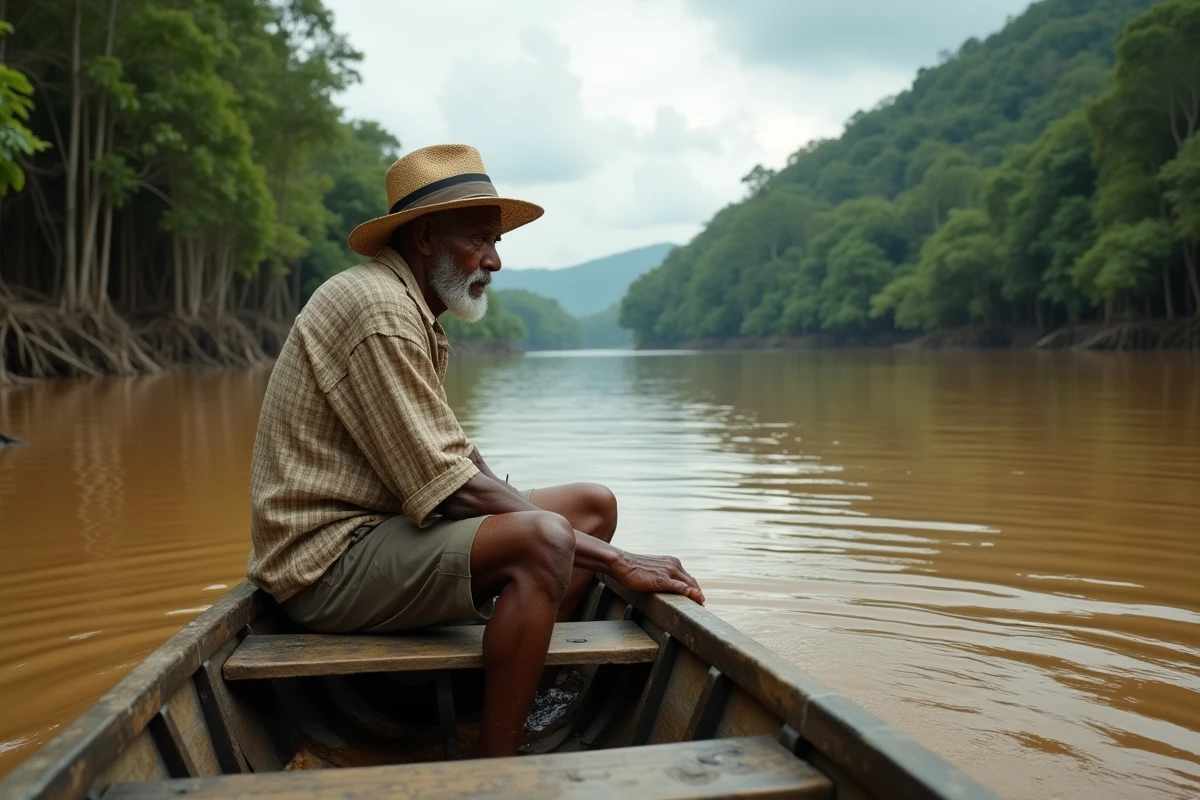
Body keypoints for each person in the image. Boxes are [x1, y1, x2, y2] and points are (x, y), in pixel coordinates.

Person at [247, 144, 704, 758]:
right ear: (429, 236)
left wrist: (580, 536)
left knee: (590, 506)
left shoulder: (406, 306)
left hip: (383, 531)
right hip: (325, 562)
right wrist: (616, 561)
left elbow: (459, 456)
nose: (494, 260)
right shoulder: (378, 310)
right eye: (481, 239)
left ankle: (519, 679)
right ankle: (497, 763)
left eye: (496, 241)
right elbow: (450, 487)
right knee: (545, 541)